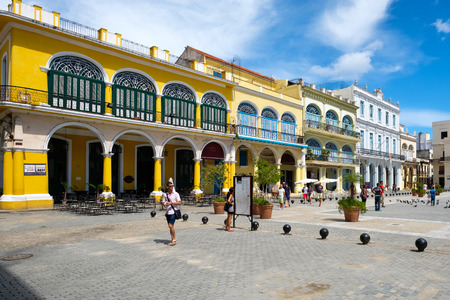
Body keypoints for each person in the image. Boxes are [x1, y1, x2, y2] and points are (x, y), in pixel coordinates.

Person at [162, 181, 182, 246]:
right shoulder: (165, 195)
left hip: (174, 211)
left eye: (172, 186)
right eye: (170, 186)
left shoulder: (176, 194)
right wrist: (165, 204)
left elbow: (179, 202)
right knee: (170, 226)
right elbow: (163, 202)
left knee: (170, 225)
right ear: (167, 187)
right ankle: (172, 238)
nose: (172, 187)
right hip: (168, 212)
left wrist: (171, 203)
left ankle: (174, 239)